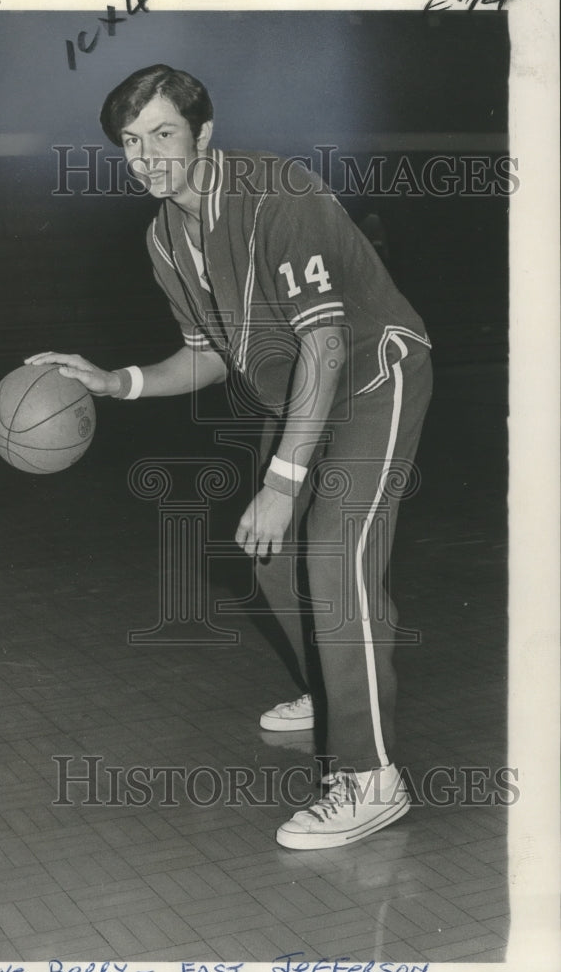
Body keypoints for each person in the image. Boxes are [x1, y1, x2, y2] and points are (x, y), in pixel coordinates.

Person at [26, 65, 433, 849]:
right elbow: (205, 356)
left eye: (163, 135)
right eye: (130, 143)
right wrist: (115, 382)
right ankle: (334, 688)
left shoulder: (277, 195)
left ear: (204, 134)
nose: (146, 158)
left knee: (333, 558)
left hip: (373, 372)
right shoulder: (164, 237)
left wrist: (282, 480)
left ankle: (369, 776)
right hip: (306, 396)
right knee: (270, 558)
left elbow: (320, 343)